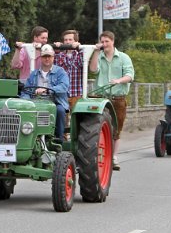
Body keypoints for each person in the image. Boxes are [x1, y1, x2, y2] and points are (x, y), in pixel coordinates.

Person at [89, 30, 134, 170]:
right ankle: (98, 155)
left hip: (117, 98)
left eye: (107, 41)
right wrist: (96, 52)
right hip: (100, 97)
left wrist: (119, 81)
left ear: (113, 42)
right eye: (102, 42)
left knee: (116, 130)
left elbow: (130, 76)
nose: (104, 44)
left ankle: (113, 157)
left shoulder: (123, 57)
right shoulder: (98, 56)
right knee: (96, 127)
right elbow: (93, 70)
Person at [22, 44, 70, 140]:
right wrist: (26, 102)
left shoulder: (60, 72)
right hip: (36, 103)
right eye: (44, 56)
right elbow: (26, 90)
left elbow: (64, 86)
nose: (47, 59)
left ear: (53, 57)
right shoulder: (34, 74)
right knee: (25, 111)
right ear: (41, 57)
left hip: (55, 102)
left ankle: (58, 140)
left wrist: (47, 89)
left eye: (49, 56)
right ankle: (28, 137)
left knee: (60, 111)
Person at [52, 29, 85, 110]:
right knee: (63, 116)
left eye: (70, 39)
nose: (67, 42)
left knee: (76, 116)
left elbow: (83, 62)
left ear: (75, 41)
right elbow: (54, 68)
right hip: (62, 94)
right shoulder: (60, 55)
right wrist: (56, 49)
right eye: (65, 40)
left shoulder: (79, 54)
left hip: (76, 93)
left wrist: (79, 47)